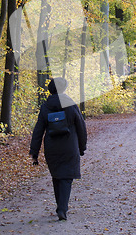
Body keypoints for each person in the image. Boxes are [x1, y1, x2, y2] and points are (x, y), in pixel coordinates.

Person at [29, 77, 87, 221]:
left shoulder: (45, 107)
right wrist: (82, 147)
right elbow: (81, 127)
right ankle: (62, 208)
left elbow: (38, 130)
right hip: (69, 146)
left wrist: (34, 152)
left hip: (52, 148)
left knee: (57, 176)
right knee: (66, 178)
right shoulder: (71, 105)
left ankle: (60, 207)